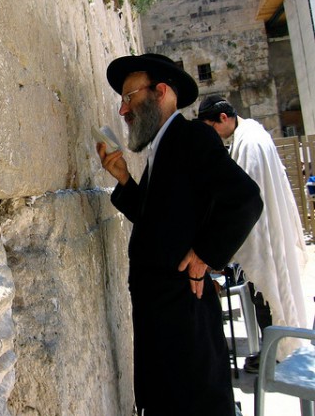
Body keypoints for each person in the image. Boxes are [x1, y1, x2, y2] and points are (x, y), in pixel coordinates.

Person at [97, 53, 263, 416]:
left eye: (129, 97)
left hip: (183, 319)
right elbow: (158, 222)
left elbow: (246, 199)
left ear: (161, 92)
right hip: (163, 319)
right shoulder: (165, 146)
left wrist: (205, 255)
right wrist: (124, 178)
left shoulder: (191, 138)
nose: (123, 111)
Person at [197, 95, 308, 370]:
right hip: (269, 231)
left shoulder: (250, 143)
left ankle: (274, 357)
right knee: (267, 299)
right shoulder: (252, 133)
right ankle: (273, 352)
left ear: (223, 118)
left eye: (211, 128)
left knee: (266, 298)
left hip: (264, 236)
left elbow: (246, 201)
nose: (213, 136)